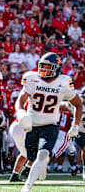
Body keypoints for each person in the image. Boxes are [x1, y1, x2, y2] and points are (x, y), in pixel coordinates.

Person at [17, 52, 82, 192]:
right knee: (32, 157)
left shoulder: (63, 82)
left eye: (48, 67)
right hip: (32, 124)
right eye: (42, 66)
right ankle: (41, 167)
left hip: (51, 125)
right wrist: (21, 112)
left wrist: (75, 126)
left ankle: (27, 187)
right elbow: (20, 101)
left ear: (57, 69)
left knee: (43, 154)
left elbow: (78, 104)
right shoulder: (31, 78)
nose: (43, 70)